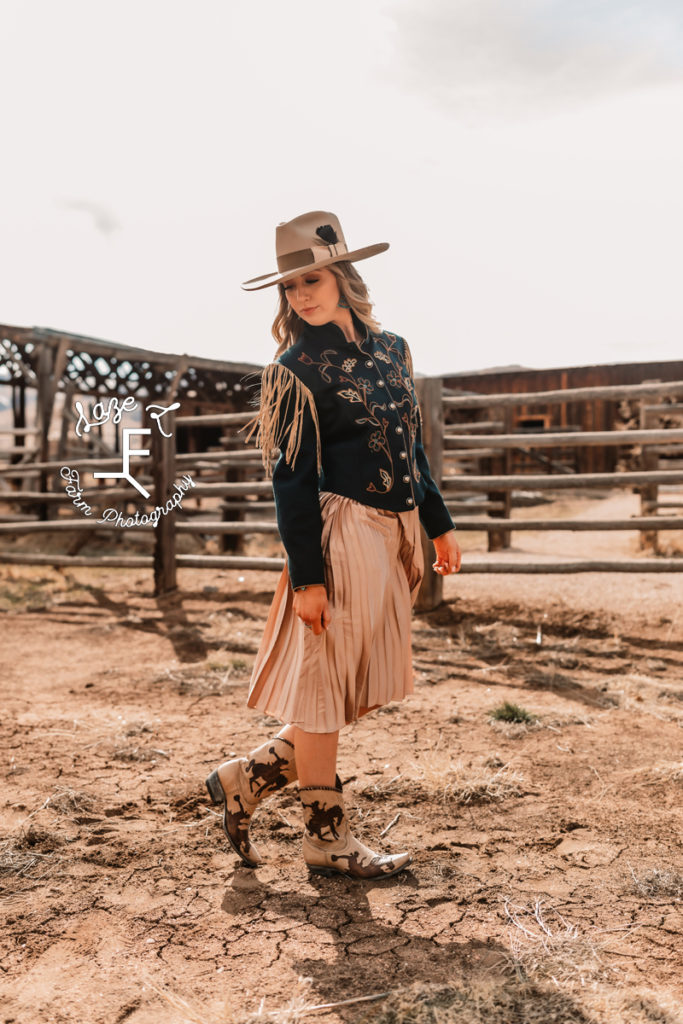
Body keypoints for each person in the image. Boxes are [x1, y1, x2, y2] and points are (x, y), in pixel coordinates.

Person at [205, 210, 462, 880]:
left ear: (342, 275)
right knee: (325, 692)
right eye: (288, 288)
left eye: (309, 279)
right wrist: (306, 577)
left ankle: (249, 778)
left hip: (395, 529)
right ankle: (325, 838)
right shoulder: (293, 368)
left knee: (355, 687)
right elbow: (288, 479)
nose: (299, 296)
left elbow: (411, 445)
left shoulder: (394, 349)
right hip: (341, 531)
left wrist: (436, 521)